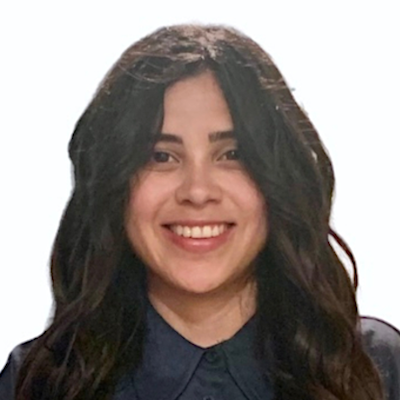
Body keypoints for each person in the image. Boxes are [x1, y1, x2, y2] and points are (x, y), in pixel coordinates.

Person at [0, 24, 399, 400]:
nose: (197, 191)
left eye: (232, 154)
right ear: (114, 185)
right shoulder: (40, 381)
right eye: (161, 156)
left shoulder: (374, 367)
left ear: (278, 178)